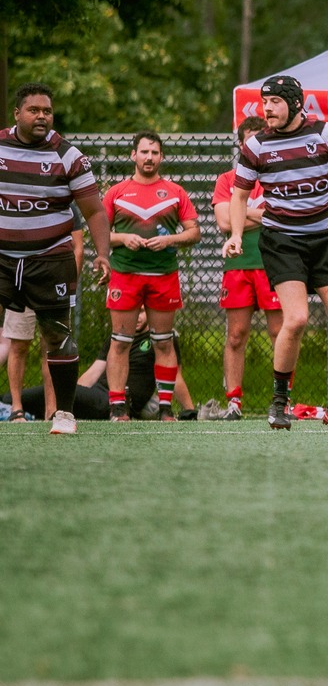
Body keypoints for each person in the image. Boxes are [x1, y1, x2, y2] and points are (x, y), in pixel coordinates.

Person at [224, 75, 328, 434]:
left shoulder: (326, 133)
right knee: (295, 320)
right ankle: (279, 402)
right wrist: (235, 234)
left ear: (295, 103)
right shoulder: (256, 146)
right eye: (264, 102)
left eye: (275, 102)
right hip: (282, 241)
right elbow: (239, 195)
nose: (267, 109)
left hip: (325, 240)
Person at [0, 86, 110, 435]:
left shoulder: (68, 155)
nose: (41, 116)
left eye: (46, 111)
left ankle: (64, 414)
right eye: (33, 110)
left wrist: (103, 254)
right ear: (17, 114)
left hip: (49, 258)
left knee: (57, 335)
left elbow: (95, 211)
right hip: (2, 258)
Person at [102, 132, 199, 422]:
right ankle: (118, 407)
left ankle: (166, 408)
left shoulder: (175, 192)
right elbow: (99, 234)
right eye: (144, 152)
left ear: (161, 157)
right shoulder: (116, 192)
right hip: (125, 275)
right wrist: (123, 238)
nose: (149, 157)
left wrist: (169, 240)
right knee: (120, 341)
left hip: (163, 276)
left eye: (155, 153)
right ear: (133, 155)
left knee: (164, 342)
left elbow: (194, 232)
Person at [212, 116, 283, 419]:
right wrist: (260, 214)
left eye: (260, 139)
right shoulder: (227, 180)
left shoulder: (279, 176)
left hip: (274, 263)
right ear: (241, 144)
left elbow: (281, 217)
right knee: (236, 335)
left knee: (280, 333)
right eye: (249, 140)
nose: (255, 145)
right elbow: (225, 222)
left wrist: (241, 212)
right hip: (239, 264)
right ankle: (234, 402)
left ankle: (282, 400)